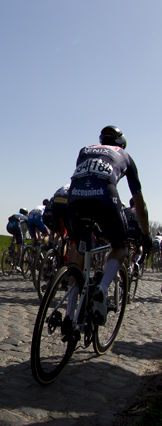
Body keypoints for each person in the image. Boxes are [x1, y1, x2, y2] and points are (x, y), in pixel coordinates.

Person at [66, 125, 150, 326]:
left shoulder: (85, 150)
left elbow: (85, 178)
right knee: (119, 247)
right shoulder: (126, 156)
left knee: (79, 250)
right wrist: (146, 235)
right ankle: (102, 288)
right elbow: (140, 206)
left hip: (75, 196)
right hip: (104, 196)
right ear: (122, 144)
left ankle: (70, 314)